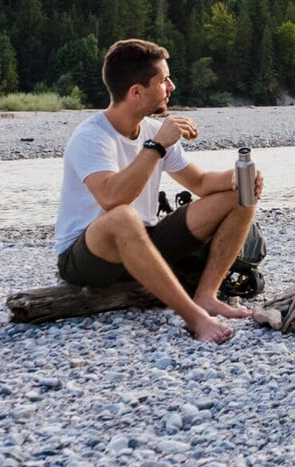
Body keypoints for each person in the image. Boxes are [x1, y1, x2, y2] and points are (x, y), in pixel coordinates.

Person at [53, 38, 263, 344]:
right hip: (87, 256)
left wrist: (237, 177)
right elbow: (111, 198)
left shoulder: (153, 131)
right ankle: (194, 317)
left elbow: (200, 182)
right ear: (136, 92)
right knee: (123, 216)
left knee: (241, 195)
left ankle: (207, 295)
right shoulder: (92, 136)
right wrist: (157, 146)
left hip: (144, 242)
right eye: (163, 80)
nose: (171, 87)